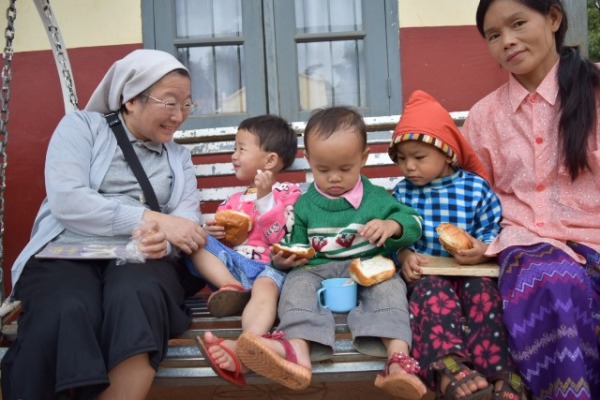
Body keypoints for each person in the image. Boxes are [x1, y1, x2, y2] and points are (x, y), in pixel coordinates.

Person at [0, 49, 208, 400]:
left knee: (136, 297)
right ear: (129, 100)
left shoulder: (179, 157)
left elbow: (187, 221)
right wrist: (151, 219)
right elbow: (69, 200)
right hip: (65, 249)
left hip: (140, 258)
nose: (179, 116)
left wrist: (164, 242)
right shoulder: (81, 127)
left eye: (187, 105)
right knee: (66, 307)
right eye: (170, 102)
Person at [234, 106, 428, 399]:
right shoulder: (304, 204)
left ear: (363, 158)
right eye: (323, 170)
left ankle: (397, 360)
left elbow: (414, 222)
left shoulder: (376, 198)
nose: (334, 178)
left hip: (368, 265)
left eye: (345, 169)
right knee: (296, 285)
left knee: (390, 289)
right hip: (317, 268)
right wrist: (284, 259)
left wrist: (392, 226)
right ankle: (297, 350)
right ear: (309, 160)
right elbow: (296, 243)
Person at [462, 1, 600, 399]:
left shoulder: (594, 95)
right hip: (525, 246)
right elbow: (475, 199)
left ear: (553, 18)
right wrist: (478, 241)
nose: (507, 41)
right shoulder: (484, 117)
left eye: (518, 24)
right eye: (493, 35)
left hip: (593, 243)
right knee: (553, 281)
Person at [389, 89, 526, 399]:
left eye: (419, 157)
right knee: (431, 295)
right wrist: (404, 253)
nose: (409, 167)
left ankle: (500, 369)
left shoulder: (475, 189)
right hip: (429, 275)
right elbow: (396, 236)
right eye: (402, 159)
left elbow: (492, 229)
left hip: (472, 273)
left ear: (447, 152)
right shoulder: (403, 193)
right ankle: (448, 365)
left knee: (485, 298)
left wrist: (483, 251)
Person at [189, 115, 302, 387]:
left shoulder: (289, 194)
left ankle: (244, 347)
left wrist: (265, 200)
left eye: (241, 148)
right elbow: (228, 241)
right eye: (234, 148)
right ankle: (231, 288)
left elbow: (283, 237)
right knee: (195, 236)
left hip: (270, 269)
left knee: (264, 287)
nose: (233, 155)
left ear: (270, 161)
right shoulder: (234, 199)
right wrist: (217, 234)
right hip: (235, 269)